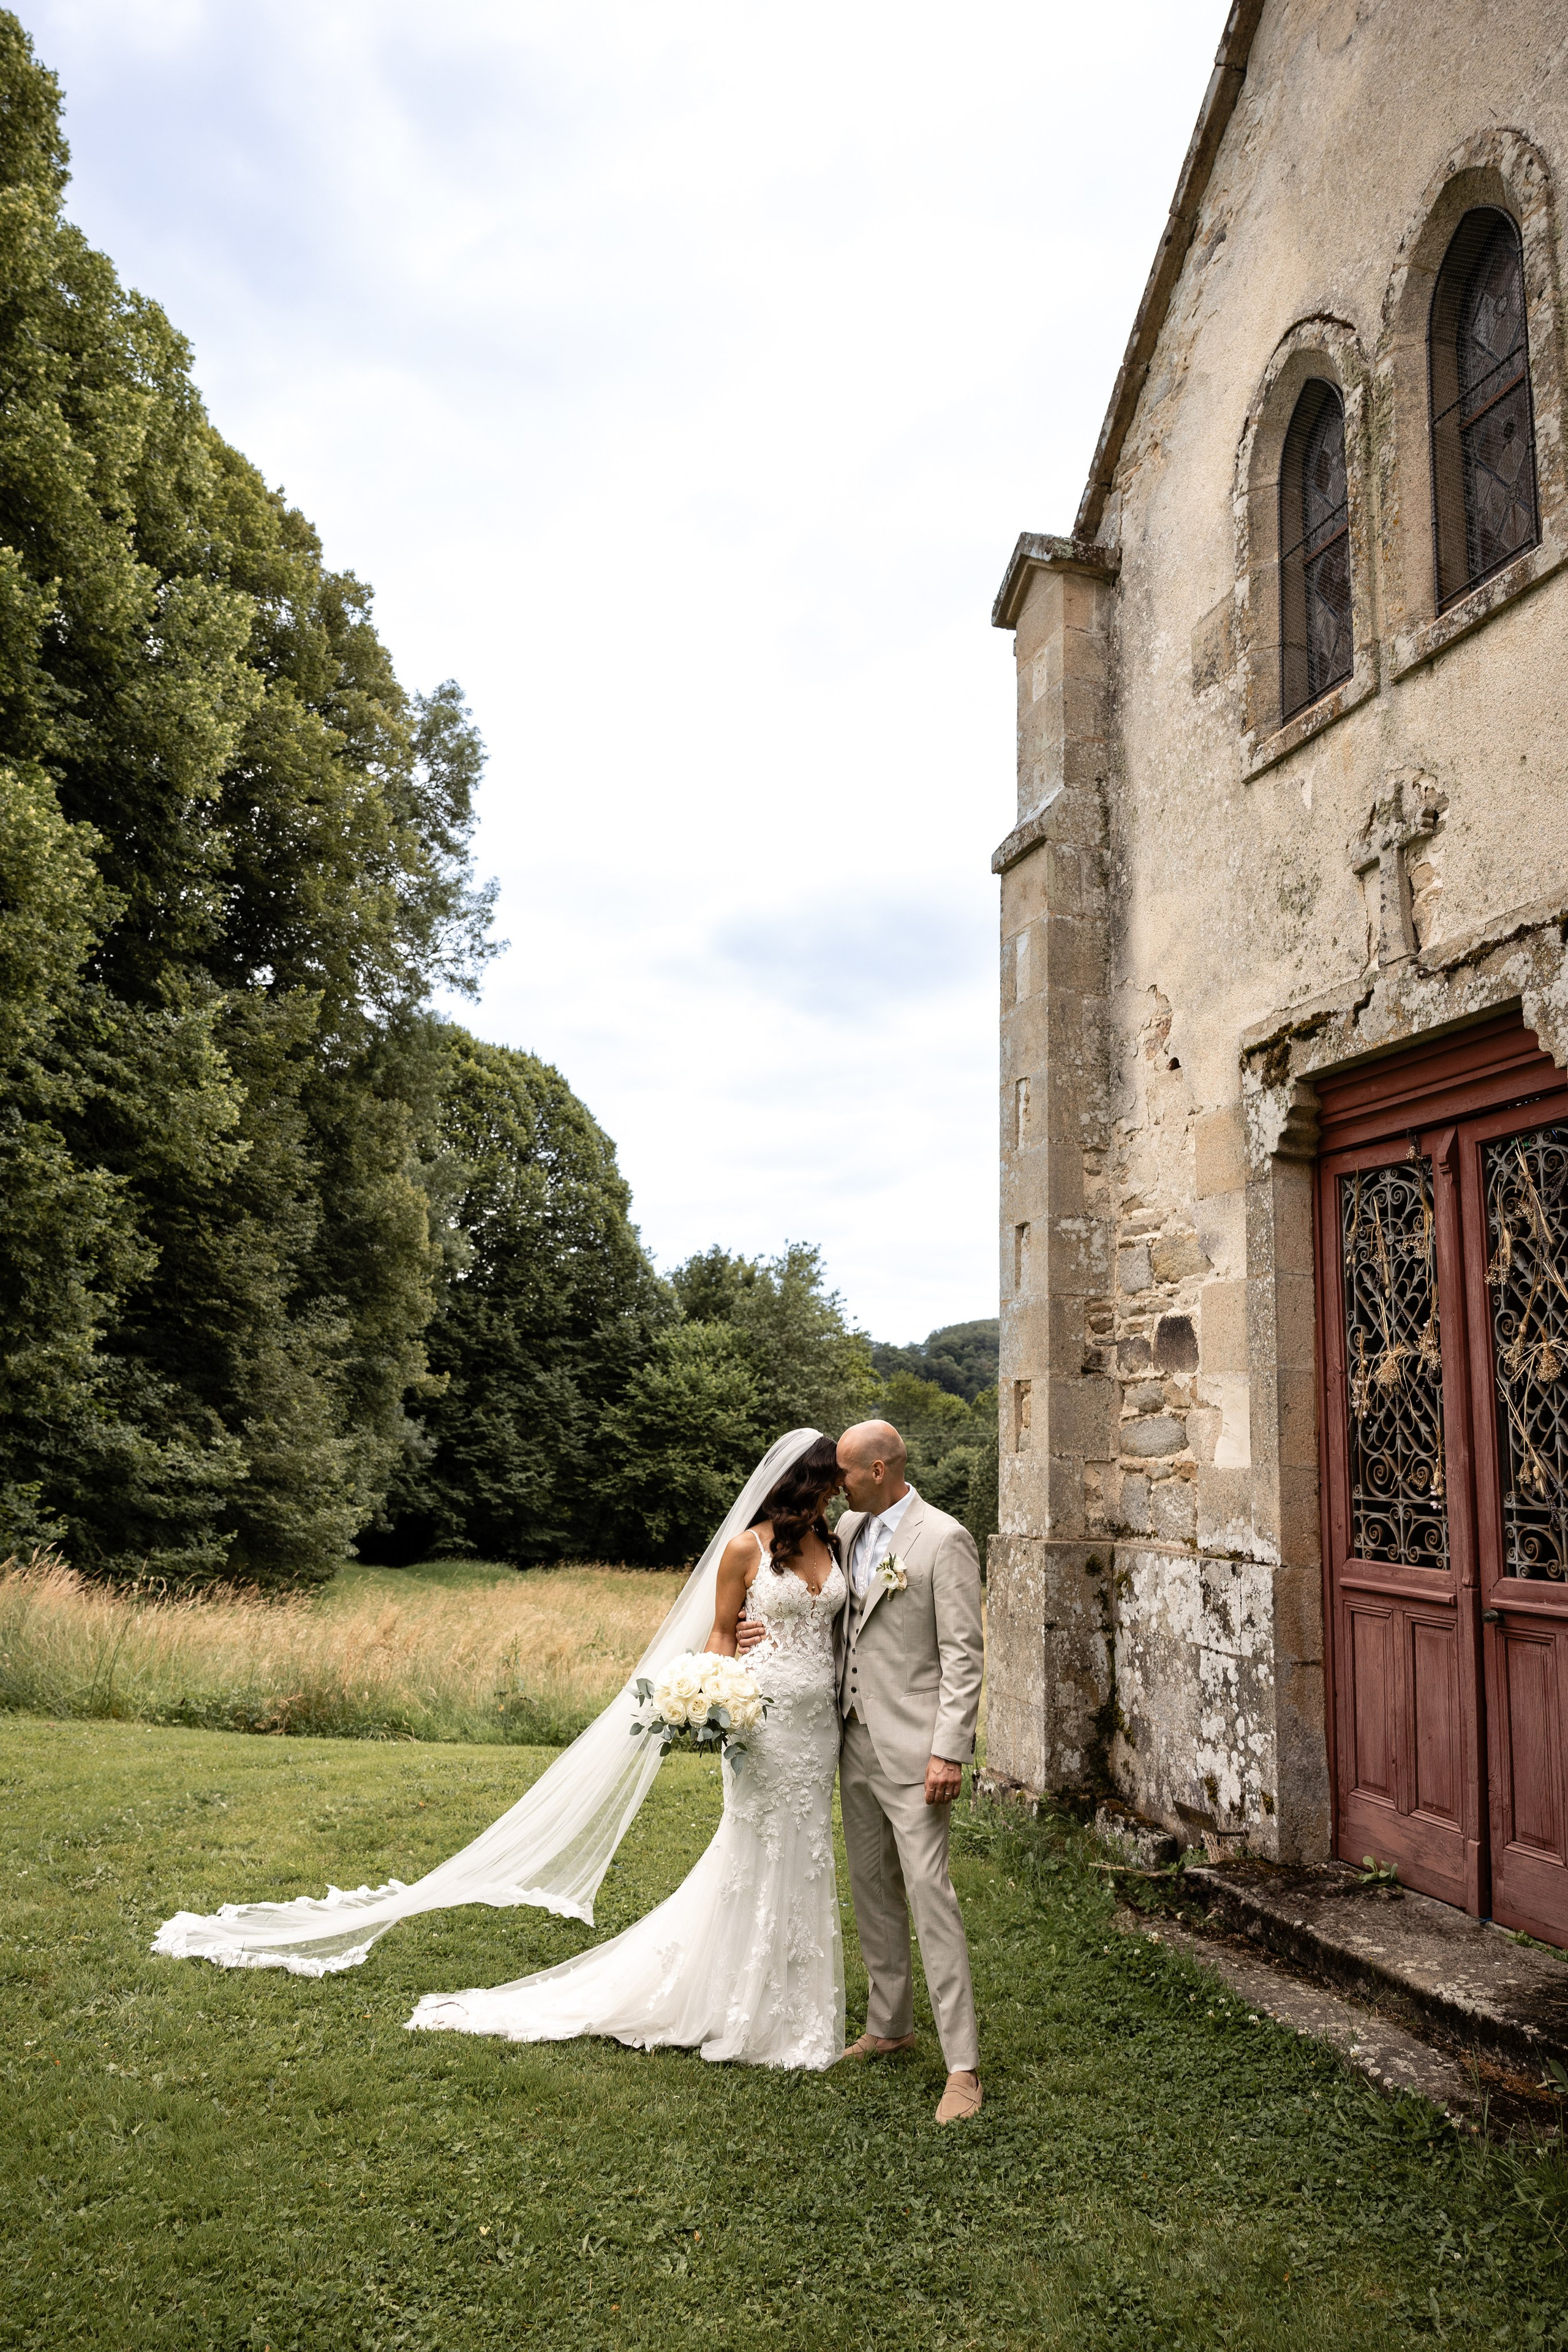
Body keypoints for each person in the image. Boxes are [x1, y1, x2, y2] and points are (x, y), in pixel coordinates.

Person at [401, 1433, 850, 2067]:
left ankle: (797, 1995)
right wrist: (719, 1691)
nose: (842, 1488)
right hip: (764, 1721)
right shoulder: (743, 1548)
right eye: (834, 1480)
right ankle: (741, 2000)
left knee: (806, 1848)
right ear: (810, 1481)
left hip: (818, 1726)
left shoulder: (833, 1544)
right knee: (757, 1845)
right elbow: (719, 1633)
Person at [740, 1418, 984, 2124]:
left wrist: (950, 1749)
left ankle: (962, 2067)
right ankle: (889, 2025)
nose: (834, 1483)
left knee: (929, 1894)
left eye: (844, 1471)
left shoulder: (944, 1539)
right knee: (870, 1887)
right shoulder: (843, 1532)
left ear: (879, 1469)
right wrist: (753, 1632)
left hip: (916, 1751)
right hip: (847, 1741)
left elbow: (963, 1656)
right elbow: (806, 1605)